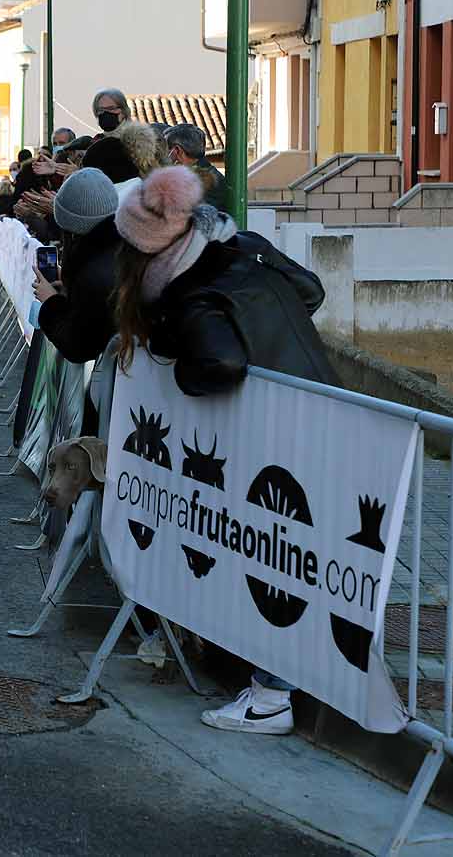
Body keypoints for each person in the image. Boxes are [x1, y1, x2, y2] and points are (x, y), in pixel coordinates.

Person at [112, 164, 337, 736]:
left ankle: (270, 697)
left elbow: (219, 364)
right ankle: (293, 682)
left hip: (280, 436)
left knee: (273, 554)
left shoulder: (193, 294)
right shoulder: (244, 247)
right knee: (304, 554)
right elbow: (311, 290)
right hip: (326, 410)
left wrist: (182, 374)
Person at [29, 168, 127, 365]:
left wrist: (51, 303)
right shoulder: (125, 248)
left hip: (116, 385)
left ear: (71, 227)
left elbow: (79, 345)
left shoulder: (93, 272)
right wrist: (70, 286)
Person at [164, 123, 229, 213]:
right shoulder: (213, 176)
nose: (163, 156)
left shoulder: (201, 184)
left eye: (165, 150)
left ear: (177, 151)